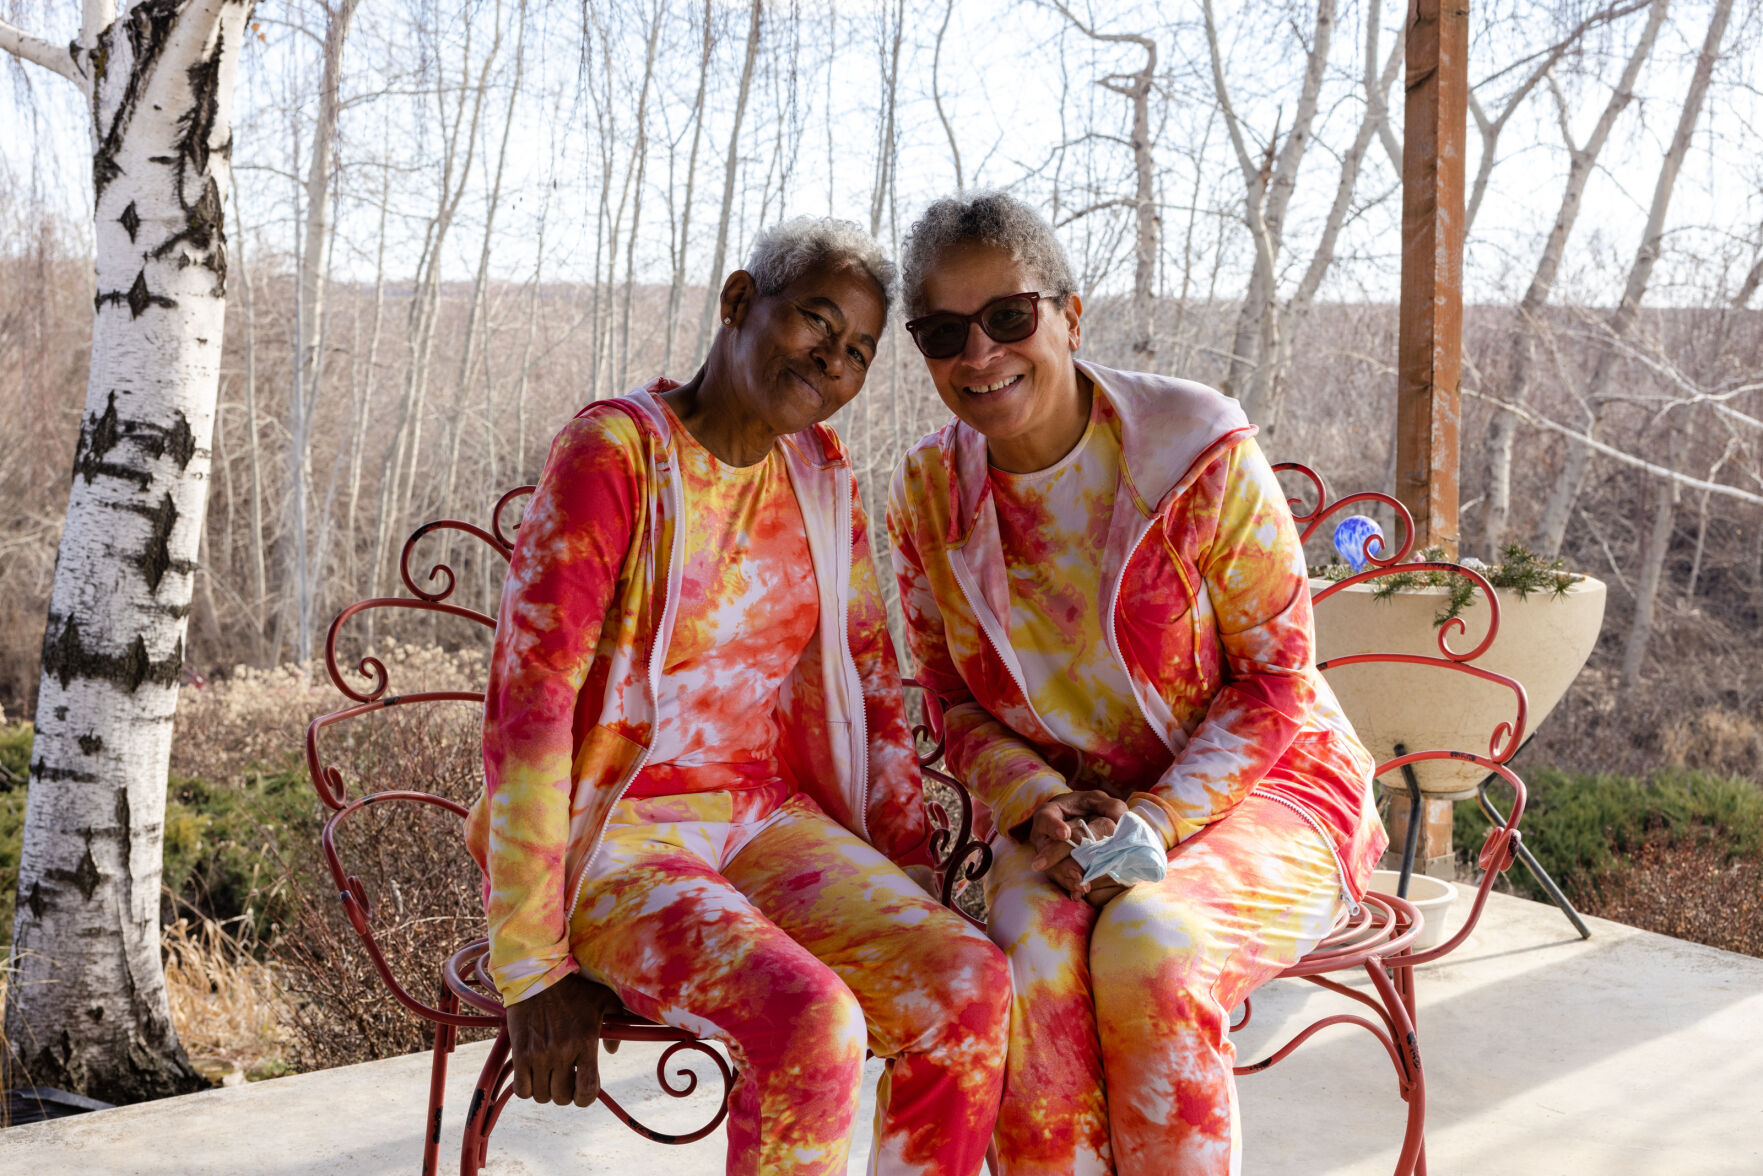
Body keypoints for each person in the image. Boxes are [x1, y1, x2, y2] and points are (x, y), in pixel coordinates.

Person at [467, 217, 1009, 1176]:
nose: (830, 360)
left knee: (964, 981)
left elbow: (869, 683)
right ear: (736, 302)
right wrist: (530, 963)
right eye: (814, 321)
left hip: (759, 821)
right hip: (618, 837)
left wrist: (907, 888)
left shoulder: (817, 475)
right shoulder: (617, 451)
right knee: (810, 1024)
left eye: (856, 353)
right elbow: (531, 707)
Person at [885, 192, 1388, 1176]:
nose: (978, 355)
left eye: (1008, 317)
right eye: (943, 333)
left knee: (1149, 947)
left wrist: (1155, 820)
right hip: (1065, 821)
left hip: (1271, 789)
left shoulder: (1190, 449)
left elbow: (1277, 677)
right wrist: (1036, 804)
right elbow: (948, 700)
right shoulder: (926, 495)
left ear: (1070, 315)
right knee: (1025, 964)